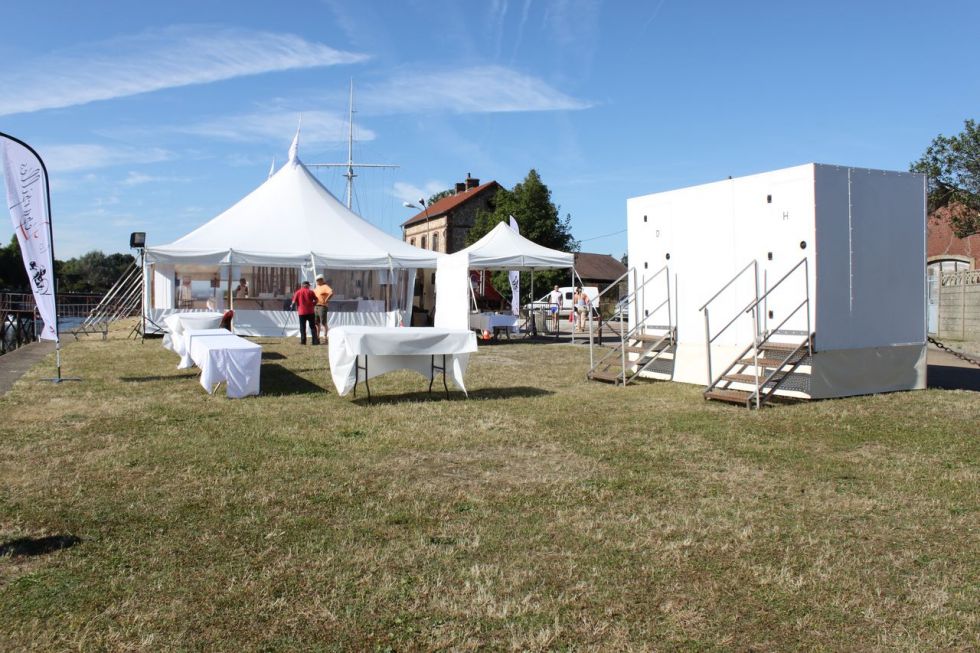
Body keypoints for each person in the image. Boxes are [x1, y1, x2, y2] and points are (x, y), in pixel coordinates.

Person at [290, 280, 319, 345]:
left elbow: (293, 302)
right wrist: (313, 304)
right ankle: (315, 341)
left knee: (302, 327)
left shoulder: (297, 292)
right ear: (307, 285)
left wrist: (291, 307)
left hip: (301, 312)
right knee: (312, 327)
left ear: (302, 285)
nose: (309, 287)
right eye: (309, 285)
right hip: (310, 312)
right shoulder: (311, 292)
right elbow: (317, 300)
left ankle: (303, 341)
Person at [313, 274, 334, 342]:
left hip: (322, 306)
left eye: (318, 280)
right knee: (316, 323)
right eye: (316, 280)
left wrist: (327, 299)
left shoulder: (325, 286)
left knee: (323, 322)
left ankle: (325, 337)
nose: (317, 282)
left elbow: (331, 293)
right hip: (316, 306)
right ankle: (317, 336)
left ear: (322, 280)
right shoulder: (316, 287)